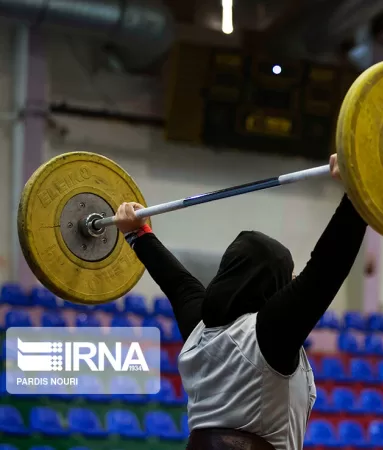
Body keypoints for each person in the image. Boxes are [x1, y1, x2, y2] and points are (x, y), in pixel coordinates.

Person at [115, 154, 367, 450]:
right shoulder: (269, 334)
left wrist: (137, 233)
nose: (293, 281)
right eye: (288, 275)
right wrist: (357, 195)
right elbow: (326, 268)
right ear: (272, 283)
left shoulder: (199, 329)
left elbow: (178, 283)